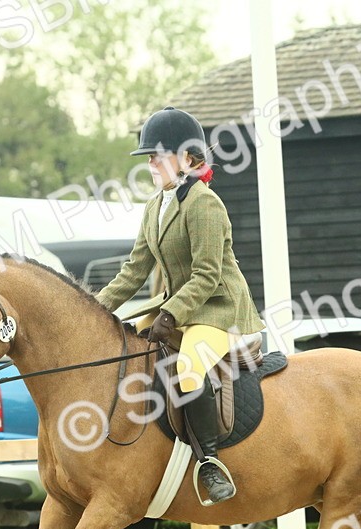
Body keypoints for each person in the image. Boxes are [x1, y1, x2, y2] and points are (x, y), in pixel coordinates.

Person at [95, 107, 264, 505]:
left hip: (219, 310)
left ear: (187, 157)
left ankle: (209, 463)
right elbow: (134, 270)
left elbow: (207, 276)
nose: (150, 163)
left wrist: (170, 315)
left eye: (157, 155)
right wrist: (93, 308)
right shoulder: (156, 206)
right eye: (148, 157)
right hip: (176, 307)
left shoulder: (205, 204)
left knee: (187, 370)